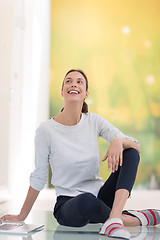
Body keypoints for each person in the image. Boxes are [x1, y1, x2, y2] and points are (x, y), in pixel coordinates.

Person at [1, 69, 160, 239]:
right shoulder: (46, 130)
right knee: (86, 200)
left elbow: (136, 146)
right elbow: (39, 177)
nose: (73, 84)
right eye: (68, 81)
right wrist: (21, 216)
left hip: (100, 198)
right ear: (62, 92)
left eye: (79, 81)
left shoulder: (94, 121)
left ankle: (114, 218)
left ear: (86, 93)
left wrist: (118, 141)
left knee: (131, 153)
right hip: (69, 205)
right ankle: (130, 219)